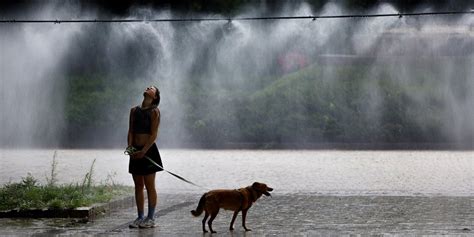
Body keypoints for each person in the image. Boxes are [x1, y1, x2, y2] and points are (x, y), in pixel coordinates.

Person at [127, 85, 163, 228]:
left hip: (149, 151)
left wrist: (144, 151)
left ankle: (151, 218)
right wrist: (130, 147)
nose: (148, 88)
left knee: (149, 185)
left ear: (154, 97)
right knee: (138, 185)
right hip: (135, 151)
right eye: (148, 87)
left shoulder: (155, 112)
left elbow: (153, 135)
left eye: (152, 88)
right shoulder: (133, 111)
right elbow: (130, 131)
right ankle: (140, 217)